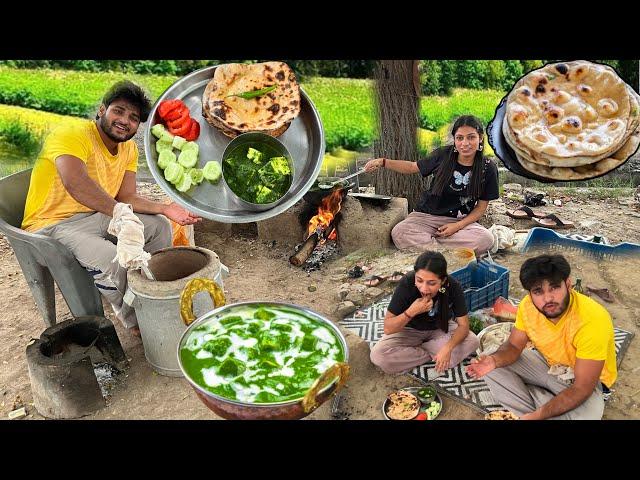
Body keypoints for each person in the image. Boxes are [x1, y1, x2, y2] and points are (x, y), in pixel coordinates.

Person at [21, 80, 201, 335]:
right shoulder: (72, 133)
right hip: (51, 224)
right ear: (102, 109)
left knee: (158, 227)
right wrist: (119, 212)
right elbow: (75, 182)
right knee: (112, 258)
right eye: (119, 111)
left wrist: (164, 208)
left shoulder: (128, 149)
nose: (125, 121)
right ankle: (137, 320)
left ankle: (156, 291)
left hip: (96, 214)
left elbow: (127, 196)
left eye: (133, 117)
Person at [466, 254, 617, 420]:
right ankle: (542, 407)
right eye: (538, 291)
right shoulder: (527, 306)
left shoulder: (592, 320)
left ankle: (536, 409)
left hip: (583, 381)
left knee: (588, 416)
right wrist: (494, 361)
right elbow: (514, 347)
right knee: (490, 361)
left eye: (554, 287)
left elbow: (582, 388)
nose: (548, 298)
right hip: (548, 365)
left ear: (568, 284)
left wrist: (539, 414)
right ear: (530, 294)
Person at [364, 115, 498, 256]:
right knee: (399, 232)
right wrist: (383, 162)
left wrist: (456, 226)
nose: (465, 143)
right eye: (460, 138)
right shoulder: (443, 155)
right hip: (426, 217)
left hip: (460, 221)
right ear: (454, 139)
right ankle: (446, 254)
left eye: (471, 137)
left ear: (481, 138)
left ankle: (430, 250)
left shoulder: (488, 168)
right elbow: (411, 167)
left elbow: (480, 208)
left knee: (485, 239)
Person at [370, 251, 479, 374]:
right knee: (379, 356)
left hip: (440, 328)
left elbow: (464, 326)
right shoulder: (407, 283)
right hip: (409, 330)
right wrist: (412, 311)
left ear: (442, 281)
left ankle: (427, 353)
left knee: (472, 341)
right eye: (419, 280)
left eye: (431, 283)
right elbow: (388, 328)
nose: (424, 288)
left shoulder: (452, 286)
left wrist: (447, 348)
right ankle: (432, 353)